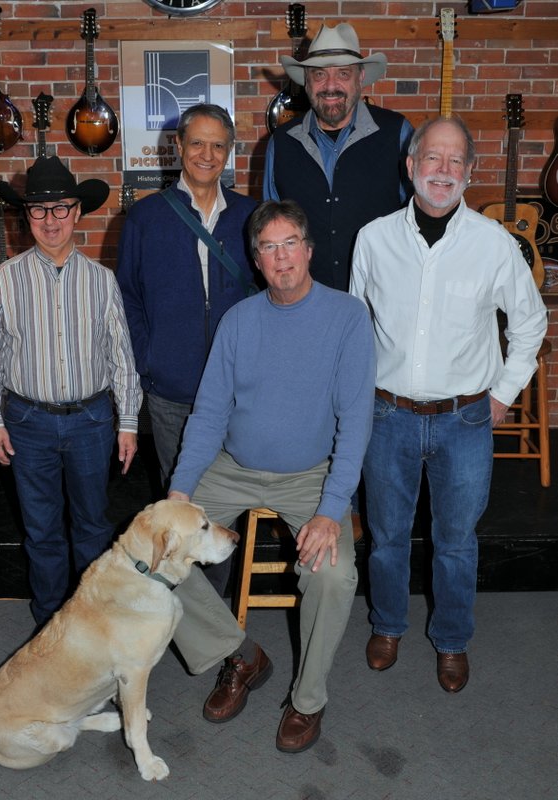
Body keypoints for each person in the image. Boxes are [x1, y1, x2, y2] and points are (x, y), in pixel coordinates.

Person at [165, 200, 375, 753]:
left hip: (310, 476)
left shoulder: (348, 318)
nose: (280, 258)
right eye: (268, 247)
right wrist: (180, 492)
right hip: (233, 468)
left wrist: (332, 509)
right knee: (153, 551)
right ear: (256, 260)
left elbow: (355, 422)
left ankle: (307, 701)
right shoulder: (239, 321)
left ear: (307, 250)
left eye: (290, 244)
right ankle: (239, 654)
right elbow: (209, 413)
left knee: (332, 575)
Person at [349, 117, 547, 692]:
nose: (442, 170)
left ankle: (452, 639)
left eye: (455, 161)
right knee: (385, 537)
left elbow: (530, 323)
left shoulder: (493, 245)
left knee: (456, 541)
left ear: (469, 173)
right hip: (388, 417)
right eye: (431, 158)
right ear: (410, 166)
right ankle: (387, 625)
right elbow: (355, 325)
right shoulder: (374, 239)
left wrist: (505, 393)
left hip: (465, 421)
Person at [0, 156, 142, 627]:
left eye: (61, 208)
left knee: (92, 528)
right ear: (26, 217)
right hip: (27, 424)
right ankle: (51, 623)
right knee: (42, 530)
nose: (51, 220)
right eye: (39, 210)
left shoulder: (102, 282)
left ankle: (92, 621)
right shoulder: (5, 280)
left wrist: (127, 422)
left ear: (77, 213)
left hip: (91, 422)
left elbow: (121, 358)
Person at [117, 103, 257, 492]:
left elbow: (268, 296)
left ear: (229, 152)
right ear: (178, 145)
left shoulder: (251, 216)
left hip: (237, 391)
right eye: (197, 143)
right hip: (171, 392)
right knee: (179, 499)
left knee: (230, 499)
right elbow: (127, 298)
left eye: (217, 146)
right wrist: (150, 360)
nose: (206, 155)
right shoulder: (145, 218)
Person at [263, 22, 413, 293]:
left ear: (361, 77)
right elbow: (271, 230)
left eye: (343, 74)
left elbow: (417, 215)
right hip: (308, 300)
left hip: (384, 295)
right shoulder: (281, 143)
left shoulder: (398, 132)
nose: (330, 86)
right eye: (319, 75)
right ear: (306, 81)